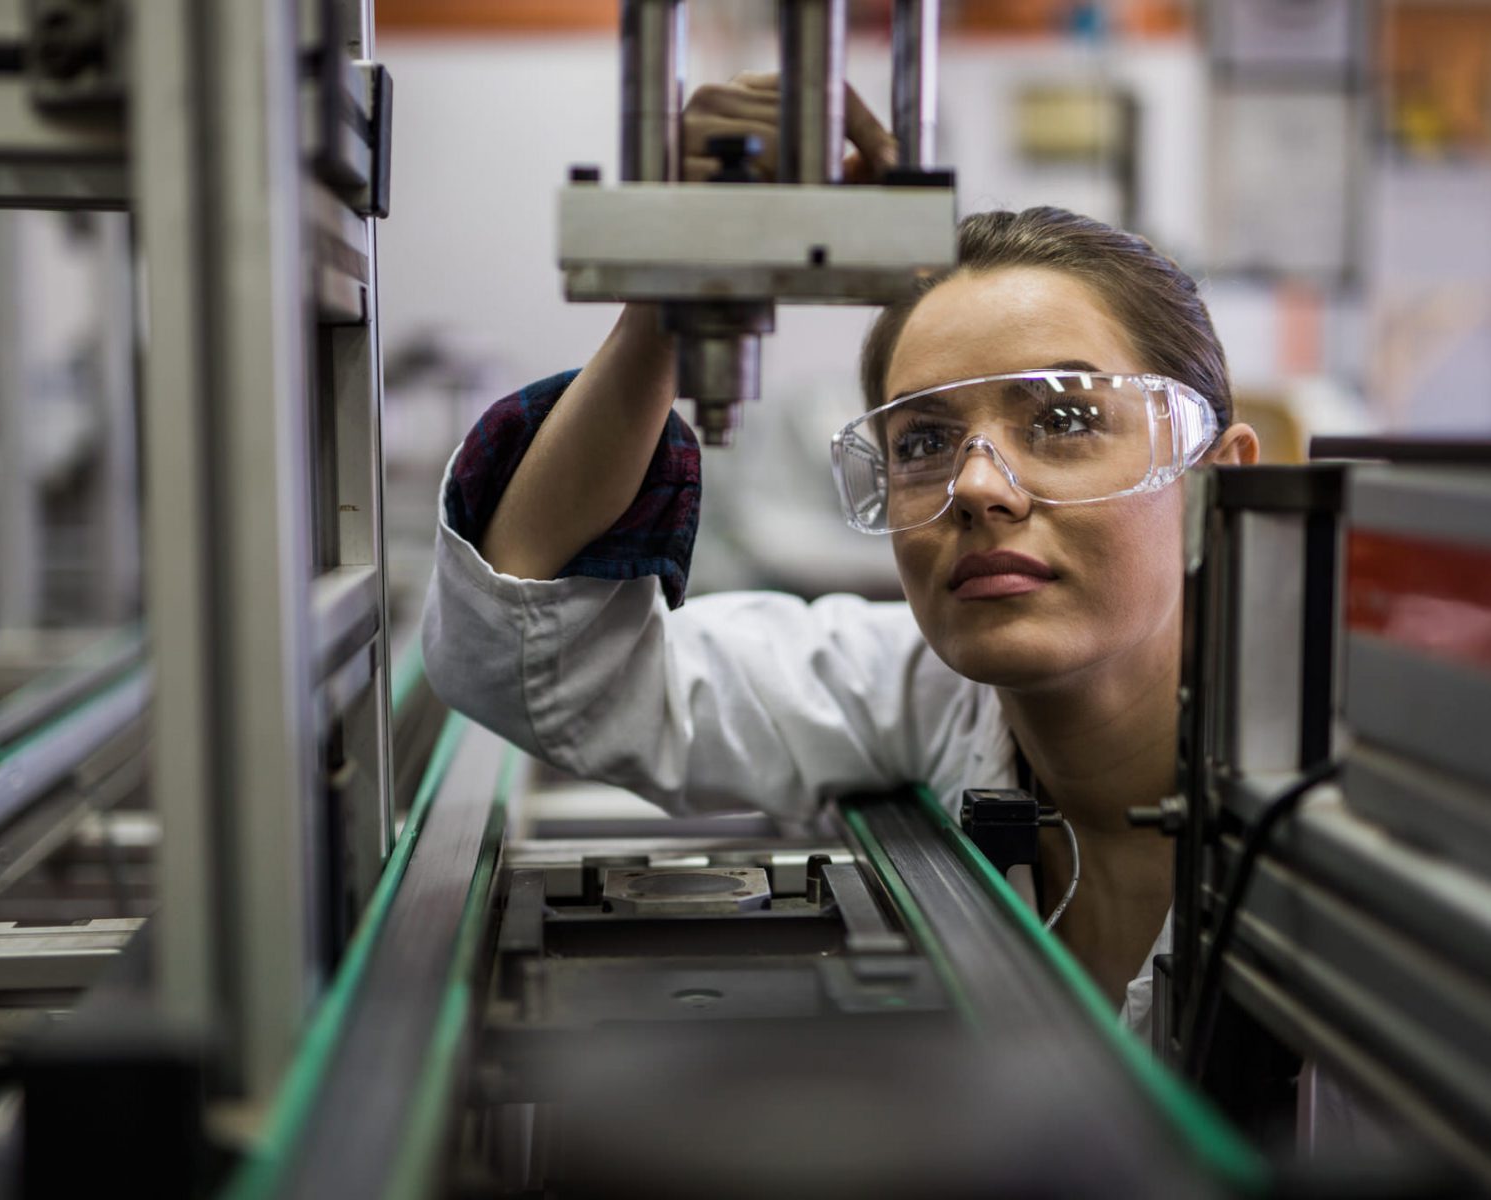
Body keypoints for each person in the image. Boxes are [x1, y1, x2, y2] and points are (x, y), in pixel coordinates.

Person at [423, 73, 1259, 1032]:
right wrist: (667, 296)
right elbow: (532, 662)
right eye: (922, 442)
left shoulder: (1375, 810)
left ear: (1217, 485)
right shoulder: (925, 697)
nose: (979, 486)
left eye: (1065, 419)